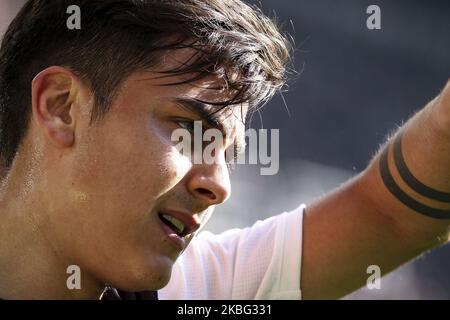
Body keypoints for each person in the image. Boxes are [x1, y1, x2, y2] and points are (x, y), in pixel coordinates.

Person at [0, 0, 449, 300]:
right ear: (61, 107)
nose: (219, 185)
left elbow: (389, 215)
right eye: (189, 130)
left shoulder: (191, 293)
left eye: (227, 154)